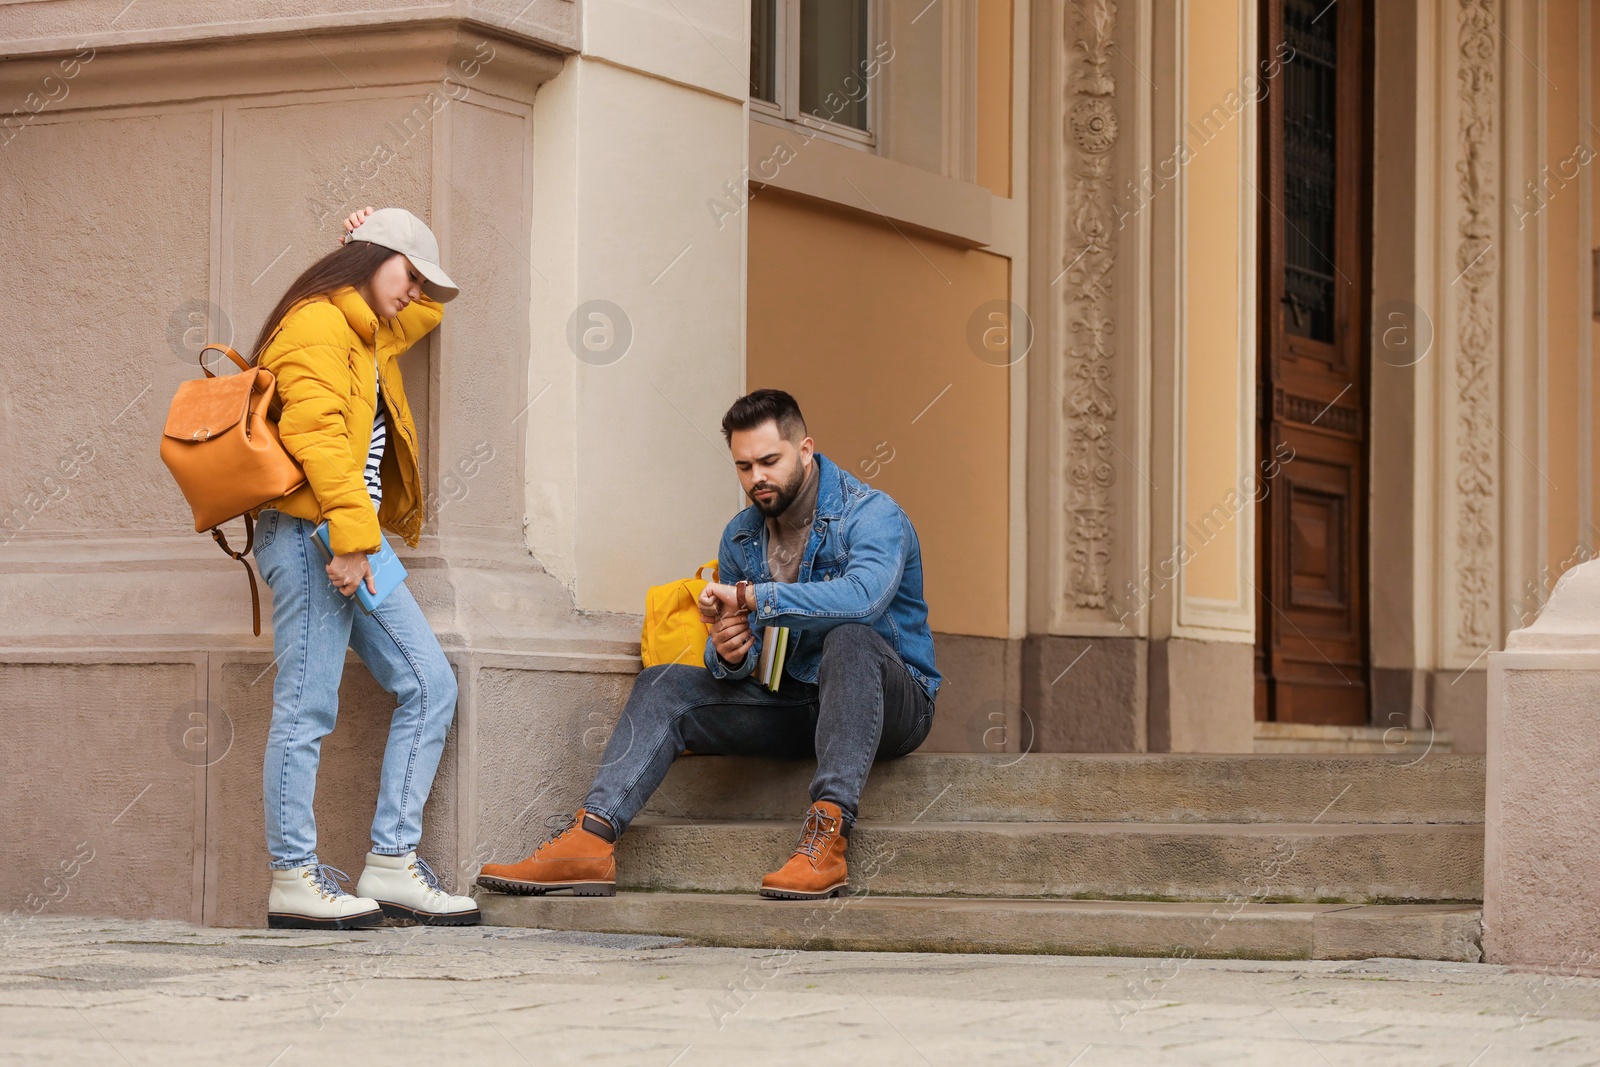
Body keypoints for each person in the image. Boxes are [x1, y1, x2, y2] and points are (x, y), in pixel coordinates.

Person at [477, 389, 939, 901]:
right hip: (795, 705)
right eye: (744, 467)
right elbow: (748, 657)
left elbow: (862, 600)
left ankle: (825, 841)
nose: (757, 478)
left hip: (890, 705)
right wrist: (728, 652)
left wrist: (750, 597)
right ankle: (591, 840)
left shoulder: (871, 514)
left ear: (805, 450)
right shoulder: (741, 538)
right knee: (662, 683)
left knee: (851, 640)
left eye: (769, 461)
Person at [250, 206, 479, 929]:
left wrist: (383, 256)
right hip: (314, 532)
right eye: (408, 274)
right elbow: (315, 435)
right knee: (307, 707)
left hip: (354, 537)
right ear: (373, 259)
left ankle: (391, 862)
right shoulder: (315, 325)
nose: (415, 293)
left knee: (428, 683)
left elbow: (424, 319)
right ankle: (291, 874)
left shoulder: (365, 330)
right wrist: (349, 541)